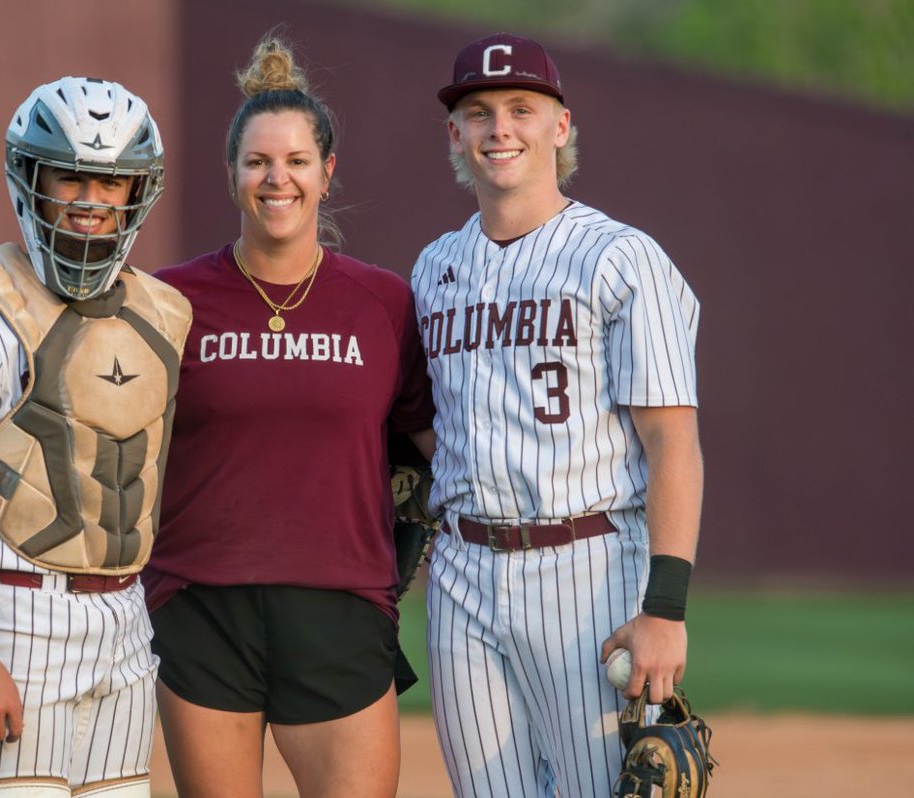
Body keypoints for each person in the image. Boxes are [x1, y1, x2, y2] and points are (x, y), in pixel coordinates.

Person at [140, 35, 435, 798]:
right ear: (233, 174)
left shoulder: (383, 303)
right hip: (200, 606)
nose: (278, 179)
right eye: (258, 162)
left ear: (327, 173)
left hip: (339, 608)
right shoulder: (169, 301)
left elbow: (428, 445)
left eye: (297, 161)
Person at [411, 33, 703, 797]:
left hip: (587, 567)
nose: (499, 128)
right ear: (455, 134)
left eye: (520, 108)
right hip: (462, 574)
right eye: (478, 112)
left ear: (560, 126)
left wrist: (664, 610)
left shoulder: (618, 258)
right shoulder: (434, 268)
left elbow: (672, 439)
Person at [0, 76, 191, 798]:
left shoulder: (161, 314)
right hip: (18, 619)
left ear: (138, 191)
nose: (90, 202)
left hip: (126, 620)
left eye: (110, 182)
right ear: (30, 180)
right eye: (70, 177)